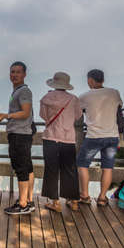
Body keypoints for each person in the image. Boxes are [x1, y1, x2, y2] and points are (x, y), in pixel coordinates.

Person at [77, 69, 123, 206]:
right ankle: (102, 198)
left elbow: (77, 111)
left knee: (82, 164)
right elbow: (119, 106)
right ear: (102, 80)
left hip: (94, 136)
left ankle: (84, 195)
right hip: (112, 136)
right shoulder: (114, 92)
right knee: (107, 168)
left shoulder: (85, 96)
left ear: (90, 80)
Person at [39, 72, 82, 212]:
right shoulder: (73, 99)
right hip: (68, 138)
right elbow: (78, 116)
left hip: (51, 137)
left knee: (51, 170)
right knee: (69, 169)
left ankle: (55, 203)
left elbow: (43, 116)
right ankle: (73, 201)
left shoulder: (46, 98)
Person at [0, 61, 35, 215]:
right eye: (12, 72)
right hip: (22, 134)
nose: (14, 75)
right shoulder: (18, 91)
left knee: (21, 168)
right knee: (27, 167)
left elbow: (25, 113)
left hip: (20, 134)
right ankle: (28, 200)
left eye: (18, 72)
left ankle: (23, 204)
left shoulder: (24, 92)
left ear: (24, 74)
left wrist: (7, 116)